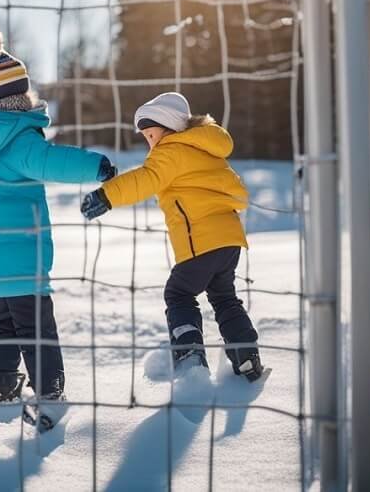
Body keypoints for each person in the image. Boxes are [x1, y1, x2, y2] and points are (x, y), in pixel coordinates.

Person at [0, 24, 117, 411]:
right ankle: (49, 390)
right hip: (23, 257)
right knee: (36, 327)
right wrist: (98, 166)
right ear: (13, 97)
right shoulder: (19, 139)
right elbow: (53, 161)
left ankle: (1, 387)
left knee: (2, 327)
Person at [80, 92, 265, 381]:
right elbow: (237, 193)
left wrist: (107, 195)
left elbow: (145, 179)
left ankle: (190, 357)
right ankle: (247, 357)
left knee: (178, 294)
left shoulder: (171, 151)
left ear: (168, 128)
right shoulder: (207, 152)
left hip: (199, 242)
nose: (150, 143)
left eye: (151, 135)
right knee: (225, 298)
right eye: (146, 138)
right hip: (229, 242)